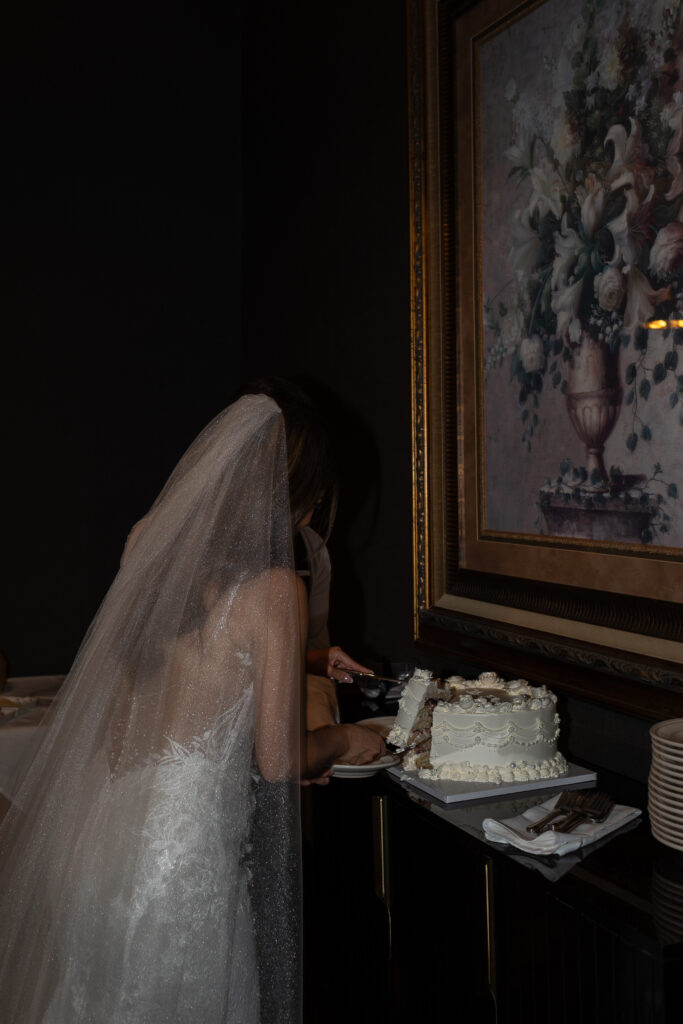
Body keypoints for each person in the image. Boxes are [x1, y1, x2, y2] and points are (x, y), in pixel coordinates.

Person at [0, 390, 385, 1023]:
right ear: (302, 500)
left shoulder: (148, 541)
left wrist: (310, 661)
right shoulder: (276, 590)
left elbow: (185, 656)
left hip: (95, 843)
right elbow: (280, 762)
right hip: (173, 872)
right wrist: (346, 742)